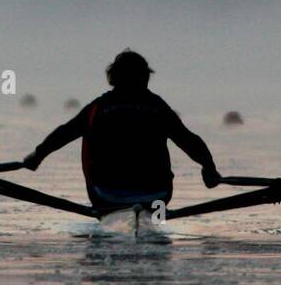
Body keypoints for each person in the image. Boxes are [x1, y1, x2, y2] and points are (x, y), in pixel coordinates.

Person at [22, 49, 220, 212]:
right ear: (145, 78)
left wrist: (37, 156)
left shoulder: (98, 108)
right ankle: (155, 215)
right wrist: (209, 168)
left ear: (113, 78)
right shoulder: (158, 107)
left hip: (107, 196)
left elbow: (64, 133)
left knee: (86, 130)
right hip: (157, 198)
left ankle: (104, 206)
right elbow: (188, 140)